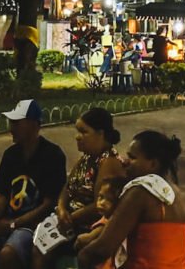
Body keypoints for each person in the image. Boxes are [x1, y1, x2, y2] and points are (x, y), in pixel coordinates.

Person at [0, 99, 67, 269]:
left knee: (8, 255)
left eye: (16, 123)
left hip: (34, 226)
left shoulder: (53, 155)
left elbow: (48, 204)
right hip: (7, 220)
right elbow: (2, 196)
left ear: (33, 124)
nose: (11, 128)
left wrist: (12, 225)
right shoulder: (11, 154)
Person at [78, 131, 185, 269]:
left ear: (153, 164)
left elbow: (102, 248)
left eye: (132, 157)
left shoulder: (141, 191)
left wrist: (83, 256)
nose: (124, 161)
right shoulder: (175, 192)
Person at [32, 108, 124, 269]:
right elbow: (68, 187)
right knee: (36, 246)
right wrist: (61, 209)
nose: (77, 136)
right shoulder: (87, 158)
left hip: (87, 227)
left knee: (42, 252)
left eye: (84, 132)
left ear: (100, 134)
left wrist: (70, 218)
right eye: (77, 131)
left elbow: (99, 206)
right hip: (67, 220)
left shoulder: (108, 162)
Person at [73, 177, 127, 262]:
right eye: (101, 197)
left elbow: (87, 239)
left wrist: (83, 239)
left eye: (110, 200)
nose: (102, 203)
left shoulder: (107, 224)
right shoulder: (106, 218)